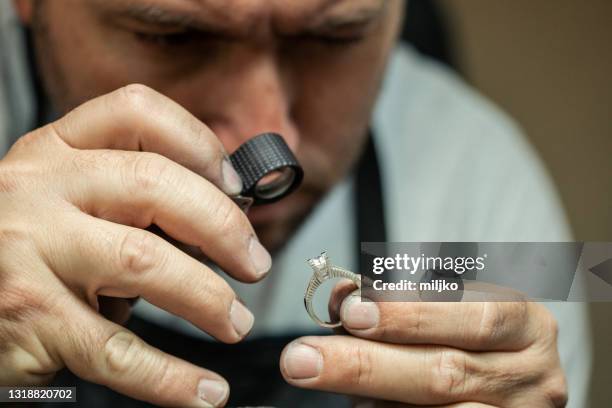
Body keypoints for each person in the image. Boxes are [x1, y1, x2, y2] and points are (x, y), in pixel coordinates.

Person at [0, 1, 591, 407]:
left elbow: (583, 284)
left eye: (332, 38)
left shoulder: (487, 188)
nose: (269, 134)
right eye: (173, 35)